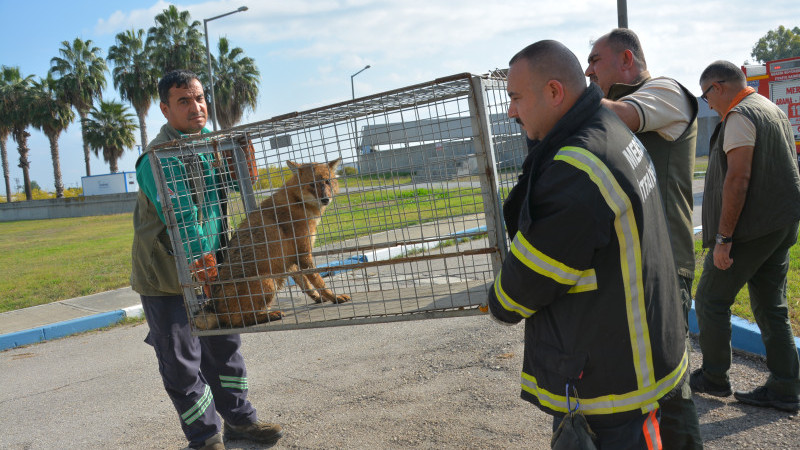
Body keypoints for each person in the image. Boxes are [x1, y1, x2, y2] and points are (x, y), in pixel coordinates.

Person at [488, 39, 687, 448]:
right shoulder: (609, 129)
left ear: (555, 92)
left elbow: (523, 288)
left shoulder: (576, 169)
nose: (510, 111)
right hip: (637, 354)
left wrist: (496, 300)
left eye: (516, 98)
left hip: (610, 386)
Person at [130, 70, 283, 450]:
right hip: (168, 277)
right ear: (165, 109)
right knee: (182, 360)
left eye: (199, 98)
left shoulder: (210, 146)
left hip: (215, 268)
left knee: (225, 348)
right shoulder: (156, 159)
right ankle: (204, 437)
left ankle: (241, 423)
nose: (196, 106)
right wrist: (204, 261)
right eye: (184, 100)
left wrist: (244, 167)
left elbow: (236, 188)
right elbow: (180, 217)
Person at [585, 28, 702, 448]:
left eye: (595, 60)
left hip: (665, 266)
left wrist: (555, 96)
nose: (588, 70)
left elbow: (617, 115)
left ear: (627, 60)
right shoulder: (615, 103)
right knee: (639, 386)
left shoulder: (666, 92)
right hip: (632, 267)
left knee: (669, 386)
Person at [689, 60, 800, 413]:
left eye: (706, 94)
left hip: (751, 229)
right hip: (780, 223)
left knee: (709, 298)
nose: (707, 103)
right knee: (772, 306)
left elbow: (738, 179)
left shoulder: (740, 116)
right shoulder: (770, 108)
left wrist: (723, 240)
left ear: (719, 87)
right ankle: (785, 386)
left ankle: (715, 378)